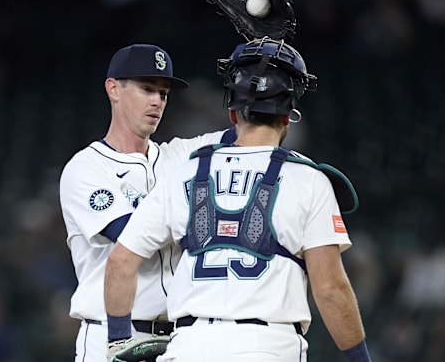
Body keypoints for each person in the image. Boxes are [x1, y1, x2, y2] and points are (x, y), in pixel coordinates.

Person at [104, 37, 372, 361]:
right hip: (268, 346)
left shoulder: (182, 175)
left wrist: (118, 340)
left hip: (188, 347)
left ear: (232, 114)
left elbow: (119, 262)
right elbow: (330, 290)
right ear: (288, 116)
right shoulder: (309, 180)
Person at [59, 43, 235, 361]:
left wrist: (264, 77)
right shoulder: (87, 168)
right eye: (146, 89)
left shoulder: (177, 155)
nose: (157, 101)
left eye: (164, 93)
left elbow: (252, 134)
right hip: (112, 338)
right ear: (113, 88)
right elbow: (133, 235)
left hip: (180, 341)